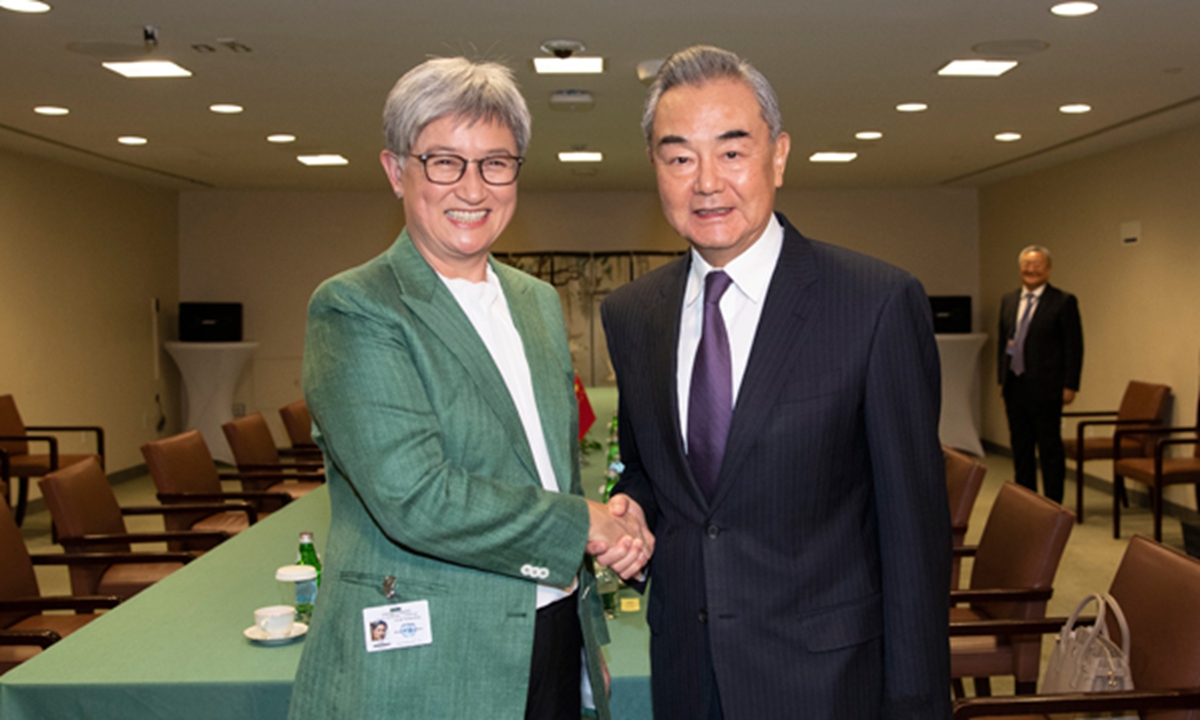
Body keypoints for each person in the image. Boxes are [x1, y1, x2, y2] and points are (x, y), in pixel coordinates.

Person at [288, 57, 650, 720]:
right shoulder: (356, 307)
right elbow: (416, 497)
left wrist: (612, 523)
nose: (473, 187)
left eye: (496, 162)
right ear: (396, 170)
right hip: (434, 659)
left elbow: (546, 469)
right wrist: (583, 525)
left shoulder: (537, 302)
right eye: (444, 161)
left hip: (553, 632)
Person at [599, 45, 951, 719]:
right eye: (679, 157)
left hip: (829, 685)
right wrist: (632, 505)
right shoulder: (632, 314)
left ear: (779, 155)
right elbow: (651, 472)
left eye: (732, 152)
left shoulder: (874, 304)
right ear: (656, 169)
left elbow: (914, 538)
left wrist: (917, 705)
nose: (706, 182)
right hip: (686, 677)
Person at [997, 245, 1083, 503]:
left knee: (1049, 449)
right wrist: (1002, 380)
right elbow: (1004, 342)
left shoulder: (1063, 301)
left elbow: (1074, 346)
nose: (1030, 270)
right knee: (1021, 448)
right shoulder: (1009, 300)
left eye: (1037, 265)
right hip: (1015, 386)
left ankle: (1053, 505)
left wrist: (1070, 384)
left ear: (1048, 269)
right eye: (1026, 264)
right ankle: (1026, 503)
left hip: (1048, 388)